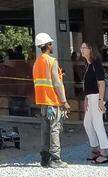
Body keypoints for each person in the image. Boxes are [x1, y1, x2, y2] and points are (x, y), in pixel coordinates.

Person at [32, 32, 69, 168]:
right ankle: (56, 158)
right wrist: (64, 101)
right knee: (55, 129)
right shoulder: (51, 61)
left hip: (42, 101)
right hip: (53, 101)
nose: (52, 45)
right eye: (51, 43)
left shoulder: (37, 62)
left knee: (45, 129)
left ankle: (45, 158)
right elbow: (56, 83)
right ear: (47, 45)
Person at [79, 41, 108, 164]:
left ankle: (104, 153)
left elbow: (101, 83)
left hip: (97, 97)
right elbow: (88, 85)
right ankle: (95, 149)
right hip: (90, 97)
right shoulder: (87, 64)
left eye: (84, 47)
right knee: (87, 123)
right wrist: (86, 98)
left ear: (90, 49)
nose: (81, 49)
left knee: (98, 124)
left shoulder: (96, 63)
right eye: (81, 47)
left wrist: (100, 101)